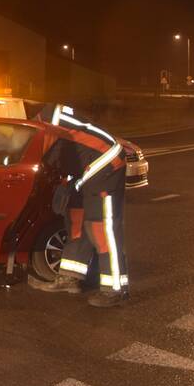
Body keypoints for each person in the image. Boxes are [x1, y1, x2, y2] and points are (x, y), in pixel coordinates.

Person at [35, 104, 129, 307]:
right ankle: (70, 277)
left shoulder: (49, 118)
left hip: (104, 164)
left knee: (101, 228)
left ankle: (115, 288)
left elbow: (53, 149)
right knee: (76, 222)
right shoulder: (43, 123)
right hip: (83, 169)